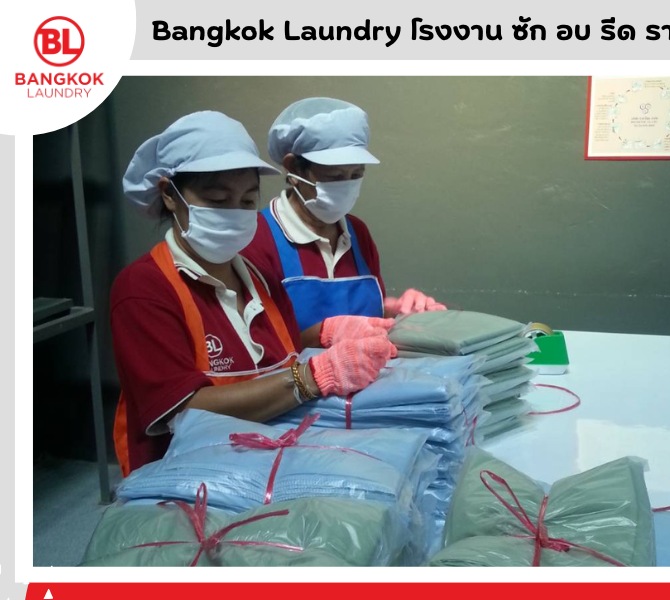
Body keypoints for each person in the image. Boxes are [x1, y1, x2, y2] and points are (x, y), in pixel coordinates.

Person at [111, 110, 397, 476]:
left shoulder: (259, 280)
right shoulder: (143, 289)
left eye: (247, 201)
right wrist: (311, 377)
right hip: (187, 478)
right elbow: (185, 411)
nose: (235, 213)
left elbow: (283, 354)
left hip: (266, 464)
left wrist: (332, 332)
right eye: (218, 200)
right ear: (170, 194)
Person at [241, 97, 446, 341]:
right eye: (335, 176)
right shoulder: (257, 236)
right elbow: (253, 343)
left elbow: (366, 319)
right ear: (293, 168)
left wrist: (396, 311)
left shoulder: (357, 232)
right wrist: (324, 334)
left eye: (356, 174)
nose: (346, 186)